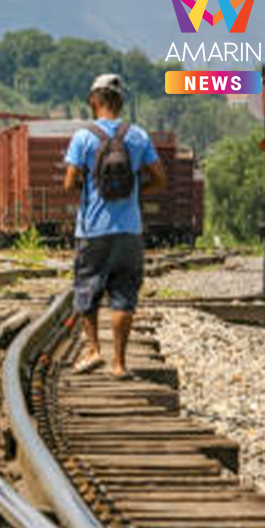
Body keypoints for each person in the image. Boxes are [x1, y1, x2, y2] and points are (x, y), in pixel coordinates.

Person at [64, 74, 166, 379]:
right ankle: (120, 363)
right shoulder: (138, 136)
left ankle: (94, 349)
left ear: (95, 100)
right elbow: (160, 179)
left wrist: (88, 191)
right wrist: (136, 193)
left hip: (93, 229)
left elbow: (69, 183)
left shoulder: (83, 137)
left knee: (87, 289)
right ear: (120, 102)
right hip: (129, 229)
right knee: (124, 294)